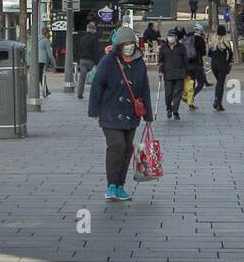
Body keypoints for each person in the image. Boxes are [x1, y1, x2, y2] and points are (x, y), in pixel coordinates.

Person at [86, 25, 152, 202]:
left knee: (128, 148)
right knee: (117, 146)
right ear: (119, 45)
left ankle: (120, 186)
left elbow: (144, 88)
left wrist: (148, 115)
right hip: (110, 112)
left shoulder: (139, 62)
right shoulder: (109, 61)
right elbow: (97, 85)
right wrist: (93, 110)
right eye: (126, 43)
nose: (129, 46)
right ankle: (111, 186)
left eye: (132, 43)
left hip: (132, 114)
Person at [157, 30, 188, 118]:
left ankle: (175, 111)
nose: (170, 38)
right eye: (169, 36)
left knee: (177, 93)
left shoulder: (181, 47)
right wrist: (160, 71)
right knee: (168, 93)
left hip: (179, 73)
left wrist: (187, 73)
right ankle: (169, 108)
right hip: (168, 73)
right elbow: (161, 61)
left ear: (176, 37)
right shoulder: (163, 47)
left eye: (172, 36)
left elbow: (185, 61)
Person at [208, 25, 234, 111]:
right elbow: (230, 55)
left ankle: (217, 101)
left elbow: (209, 54)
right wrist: (229, 63)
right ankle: (218, 102)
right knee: (220, 84)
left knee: (218, 83)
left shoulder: (213, 43)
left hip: (214, 65)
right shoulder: (226, 43)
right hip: (222, 65)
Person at [75, 21, 100, 98]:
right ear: (93, 30)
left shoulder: (82, 38)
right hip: (91, 61)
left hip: (82, 60)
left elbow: (78, 50)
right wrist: (97, 63)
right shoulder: (94, 39)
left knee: (82, 78)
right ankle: (95, 94)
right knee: (95, 78)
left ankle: (79, 93)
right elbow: (96, 52)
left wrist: (79, 60)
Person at [38, 27, 55, 98]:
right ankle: (45, 91)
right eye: (49, 33)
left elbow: (29, 50)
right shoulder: (45, 40)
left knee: (39, 76)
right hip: (42, 60)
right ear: (47, 33)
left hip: (35, 60)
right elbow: (49, 53)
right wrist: (54, 63)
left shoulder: (37, 39)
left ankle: (46, 90)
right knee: (41, 76)